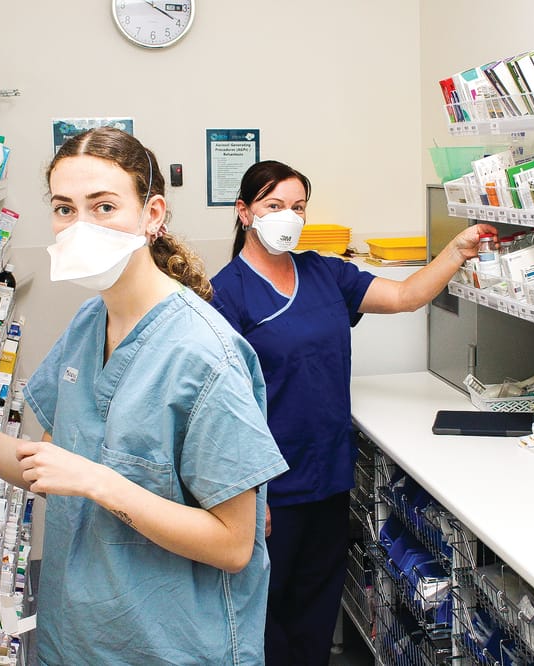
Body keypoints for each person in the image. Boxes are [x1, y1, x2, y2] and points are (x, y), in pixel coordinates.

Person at [0, 128, 288, 665]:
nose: (80, 225)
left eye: (104, 206)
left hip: (171, 645)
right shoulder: (92, 322)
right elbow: (47, 469)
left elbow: (233, 546)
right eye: (64, 209)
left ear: (152, 215)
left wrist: (100, 483)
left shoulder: (205, 355)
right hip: (82, 636)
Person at [209, 159, 496, 666]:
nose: (288, 217)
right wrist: (246, 492)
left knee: (317, 609)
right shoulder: (225, 293)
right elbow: (220, 406)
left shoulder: (324, 273)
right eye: (274, 206)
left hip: (328, 473)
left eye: (297, 208)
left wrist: (455, 250)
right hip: (269, 486)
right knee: (265, 614)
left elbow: (406, 295)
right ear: (245, 213)